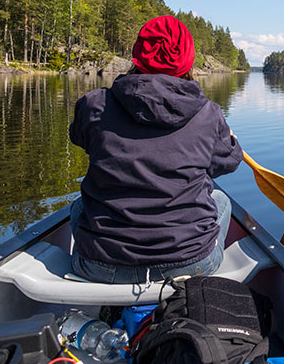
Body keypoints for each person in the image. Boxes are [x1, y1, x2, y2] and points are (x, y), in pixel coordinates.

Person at [68, 15, 243, 284]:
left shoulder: (94, 105)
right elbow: (228, 162)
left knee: (79, 205)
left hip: (99, 265)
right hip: (190, 263)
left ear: (138, 53)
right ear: (187, 59)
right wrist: (228, 139)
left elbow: (79, 137)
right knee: (221, 201)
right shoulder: (208, 114)